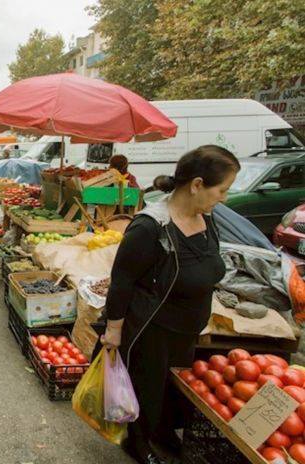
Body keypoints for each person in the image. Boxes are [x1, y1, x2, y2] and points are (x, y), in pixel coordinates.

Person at [101, 145, 240, 464]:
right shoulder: (151, 227)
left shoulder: (207, 217)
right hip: (153, 328)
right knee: (145, 389)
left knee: (170, 391)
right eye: (222, 190)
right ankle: (137, 443)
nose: (224, 198)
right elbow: (122, 280)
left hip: (186, 327)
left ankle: (161, 433)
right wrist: (114, 331)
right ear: (197, 185)